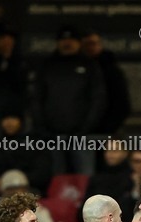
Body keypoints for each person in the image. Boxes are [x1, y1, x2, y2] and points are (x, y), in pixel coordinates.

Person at [31, 25, 106, 175]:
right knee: (56, 178)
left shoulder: (89, 65)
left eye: (71, 40)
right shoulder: (47, 65)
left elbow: (98, 99)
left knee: (85, 177)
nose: (67, 43)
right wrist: (43, 127)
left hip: (82, 136)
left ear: (79, 42)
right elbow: (36, 98)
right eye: (63, 40)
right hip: (52, 135)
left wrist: (86, 128)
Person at [81, 28, 130, 134]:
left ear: (100, 45)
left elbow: (122, 104)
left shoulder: (111, 71)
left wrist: (108, 129)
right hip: (79, 131)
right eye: (86, 44)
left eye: (93, 43)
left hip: (107, 130)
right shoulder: (74, 69)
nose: (90, 47)